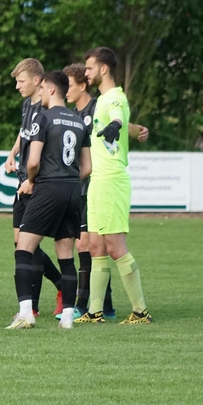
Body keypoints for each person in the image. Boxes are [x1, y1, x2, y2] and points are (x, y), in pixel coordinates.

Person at [64, 64, 150, 320]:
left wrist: (118, 124)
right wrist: (134, 130)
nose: (87, 72)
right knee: (95, 247)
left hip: (110, 179)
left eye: (90, 67)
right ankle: (95, 311)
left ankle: (141, 312)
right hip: (96, 181)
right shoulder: (100, 100)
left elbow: (117, 114)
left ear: (103, 68)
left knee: (115, 247)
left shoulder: (113, 97)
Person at [6, 70, 90, 329]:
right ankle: (68, 318)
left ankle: (26, 313)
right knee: (66, 256)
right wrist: (68, 178)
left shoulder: (43, 118)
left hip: (48, 188)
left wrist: (31, 181)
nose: (40, 93)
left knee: (23, 248)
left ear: (51, 89)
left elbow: (33, 162)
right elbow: (87, 167)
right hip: (73, 191)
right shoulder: (79, 122)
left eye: (42, 89)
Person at [3, 58, 64, 316]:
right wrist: (13, 153)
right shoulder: (27, 104)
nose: (17, 86)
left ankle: (36, 304)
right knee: (22, 244)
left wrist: (32, 180)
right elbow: (24, 132)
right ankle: (54, 290)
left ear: (37, 80)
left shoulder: (48, 109)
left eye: (21, 81)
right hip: (23, 181)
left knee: (27, 246)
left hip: (38, 184)